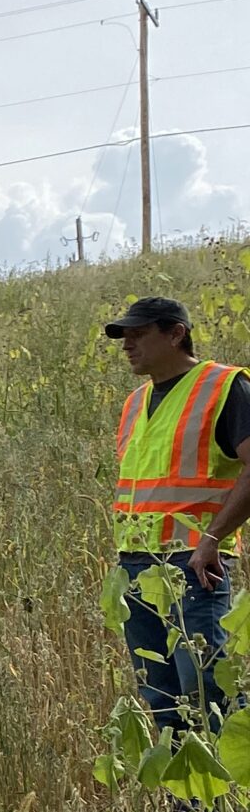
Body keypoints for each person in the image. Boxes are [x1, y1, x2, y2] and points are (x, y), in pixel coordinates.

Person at [105, 295, 250, 733]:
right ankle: (188, 804)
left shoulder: (225, 387)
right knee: (162, 699)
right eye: (123, 337)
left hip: (194, 565)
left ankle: (230, 796)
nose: (127, 345)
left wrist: (213, 539)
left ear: (175, 333)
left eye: (138, 334)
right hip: (135, 566)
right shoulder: (135, 403)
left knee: (207, 690)